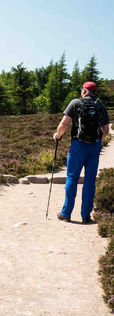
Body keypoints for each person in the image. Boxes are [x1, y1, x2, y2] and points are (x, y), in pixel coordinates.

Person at [52, 81, 111, 223]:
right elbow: (107, 130)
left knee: (72, 177)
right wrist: (98, 142)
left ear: (84, 91)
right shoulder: (100, 106)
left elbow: (64, 123)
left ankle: (66, 213)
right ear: (94, 92)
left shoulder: (75, 103)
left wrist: (57, 135)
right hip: (94, 147)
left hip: (78, 145)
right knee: (90, 180)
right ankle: (86, 215)